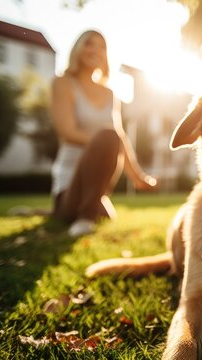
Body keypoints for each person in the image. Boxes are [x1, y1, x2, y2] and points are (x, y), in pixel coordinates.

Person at [50, 29, 156, 237]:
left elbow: (120, 137)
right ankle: (83, 218)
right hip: (68, 186)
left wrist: (137, 177)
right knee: (108, 136)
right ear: (78, 48)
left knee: (108, 215)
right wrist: (102, 142)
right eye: (90, 43)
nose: (96, 50)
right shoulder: (62, 83)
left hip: (97, 190)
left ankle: (90, 209)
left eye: (102, 46)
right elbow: (67, 131)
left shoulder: (110, 93)